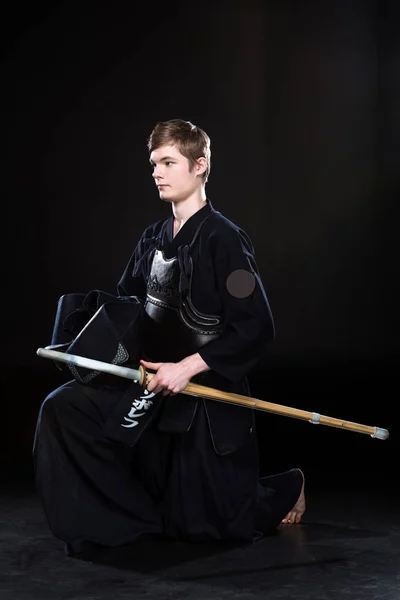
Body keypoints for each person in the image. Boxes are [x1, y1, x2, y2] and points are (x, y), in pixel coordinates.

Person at [33, 118, 305, 556]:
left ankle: (286, 488)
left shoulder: (227, 241)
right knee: (63, 408)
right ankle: (111, 525)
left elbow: (256, 325)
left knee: (204, 528)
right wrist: (94, 348)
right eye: (153, 163)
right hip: (150, 382)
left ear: (200, 166)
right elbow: (126, 306)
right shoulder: (152, 238)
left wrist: (188, 368)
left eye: (168, 162)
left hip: (204, 390)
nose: (156, 172)